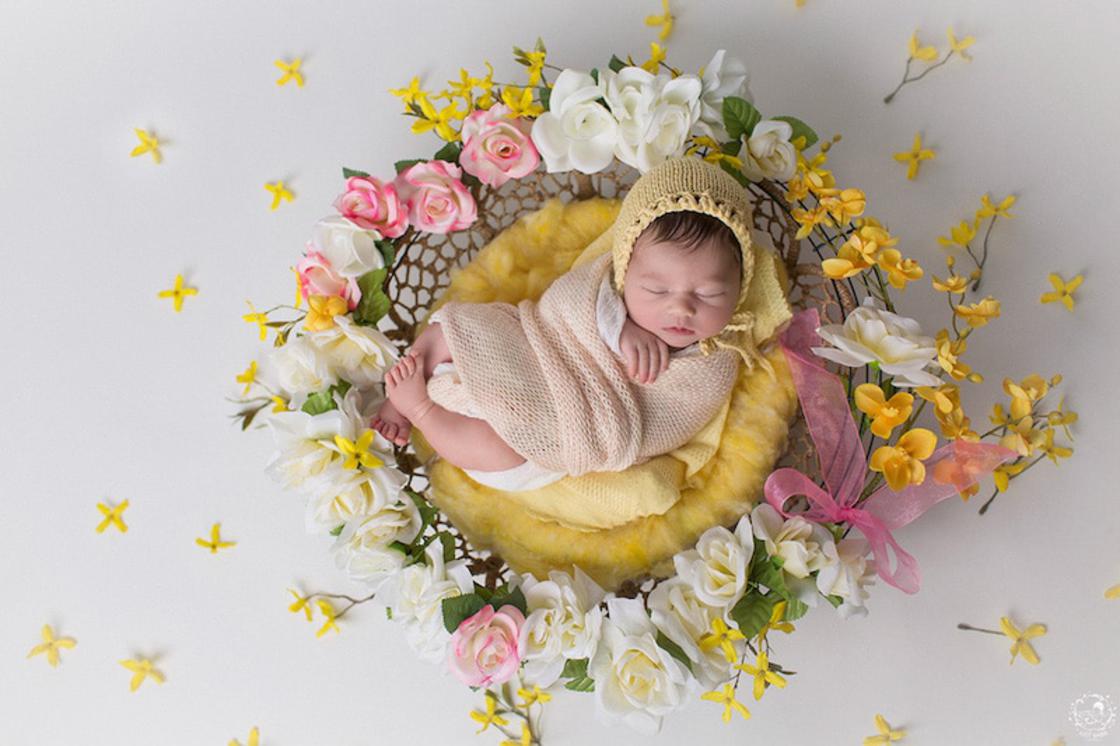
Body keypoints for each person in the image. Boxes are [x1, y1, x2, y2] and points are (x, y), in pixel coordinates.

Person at [371, 156, 792, 491]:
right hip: (534, 347)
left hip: (564, 425)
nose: (680, 309)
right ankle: (408, 382)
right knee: (457, 324)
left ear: (740, 288)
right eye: (656, 291)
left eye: (708, 294)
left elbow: (668, 425)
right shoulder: (605, 283)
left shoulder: (713, 362)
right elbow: (560, 306)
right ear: (627, 271)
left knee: (499, 452)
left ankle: (420, 409)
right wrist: (616, 327)